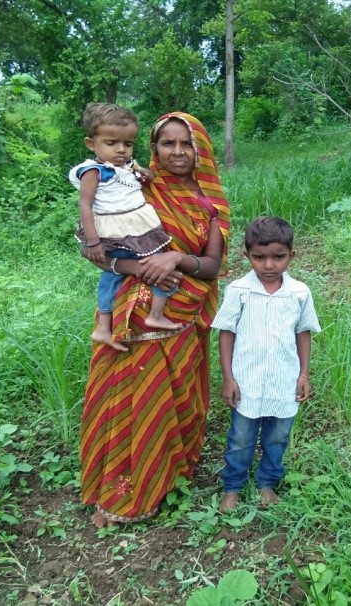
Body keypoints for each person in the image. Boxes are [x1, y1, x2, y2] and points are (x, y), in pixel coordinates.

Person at [79, 112, 230, 527]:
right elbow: (97, 251)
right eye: (168, 144)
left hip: (179, 320)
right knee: (126, 401)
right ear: (155, 148)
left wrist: (177, 258)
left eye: (187, 144)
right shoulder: (133, 189)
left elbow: (213, 266)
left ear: (202, 149)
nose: (178, 152)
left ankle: (168, 477)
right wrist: (139, 268)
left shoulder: (210, 205)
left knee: (170, 401)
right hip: (130, 320)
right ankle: (120, 492)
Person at [211, 216, 321, 512]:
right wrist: (228, 378)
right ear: (247, 255)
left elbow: (303, 332)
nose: (269, 265)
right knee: (240, 439)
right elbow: (226, 333)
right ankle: (232, 487)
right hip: (246, 382)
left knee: (278, 438)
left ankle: (267, 483)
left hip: (284, 381)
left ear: (291, 256)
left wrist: (303, 374)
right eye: (259, 258)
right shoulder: (239, 290)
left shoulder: (299, 292)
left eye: (278, 257)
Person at [70, 102, 182, 352]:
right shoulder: (93, 171)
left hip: (133, 227)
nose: (121, 150)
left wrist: (144, 174)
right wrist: (93, 241)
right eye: (112, 143)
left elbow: (138, 175)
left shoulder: (125, 166)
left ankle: (103, 329)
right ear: (92, 144)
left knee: (112, 275)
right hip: (113, 231)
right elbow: (85, 206)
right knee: (157, 264)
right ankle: (155, 314)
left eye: (128, 144)